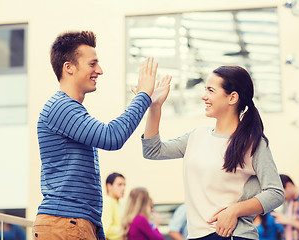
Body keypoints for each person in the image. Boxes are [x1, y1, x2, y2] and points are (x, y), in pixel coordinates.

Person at [32, 30, 158, 240]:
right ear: (69, 67)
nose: (100, 70)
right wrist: (143, 95)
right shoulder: (61, 107)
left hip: (72, 223)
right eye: (92, 64)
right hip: (66, 222)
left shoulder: (69, 109)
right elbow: (112, 137)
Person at [141, 66, 285, 240]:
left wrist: (234, 210)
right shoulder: (196, 136)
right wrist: (155, 107)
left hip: (232, 235)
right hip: (196, 235)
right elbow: (152, 151)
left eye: (210, 90)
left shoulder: (252, 142)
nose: (204, 96)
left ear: (232, 97)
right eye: (205, 90)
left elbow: (276, 193)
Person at [102, 172, 126, 240]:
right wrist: (127, 231)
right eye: (119, 185)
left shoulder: (120, 203)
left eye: (124, 185)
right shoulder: (107, 201)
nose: (123, 188)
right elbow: (106, 229)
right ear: (109, 186)